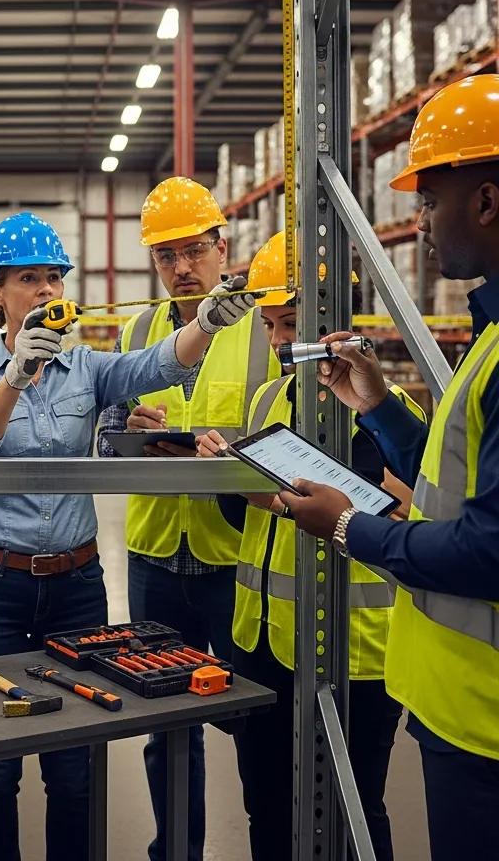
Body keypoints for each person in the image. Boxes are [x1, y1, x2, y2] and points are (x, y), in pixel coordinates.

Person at [0, 210, 259, 861]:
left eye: (55, 278)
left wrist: (206, 322)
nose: (47, 291)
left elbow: (155, 366)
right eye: (29, 278)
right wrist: (14, 377)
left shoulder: (86, 367)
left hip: (76, 586)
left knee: (75, 766)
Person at [279, 74, 499, 861]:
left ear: (486, 199)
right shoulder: (491, 334)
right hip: (460, 710)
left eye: (431, 199)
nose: (421, 223)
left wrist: (347, 527)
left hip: (486, 727)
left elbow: (489, 548)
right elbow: (459, 478)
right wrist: (377, 405)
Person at [196, 230, 423, 861]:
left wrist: (318, 505)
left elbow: (409, 522)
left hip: (355, 650)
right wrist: (228, 475)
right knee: (266, 803)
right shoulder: (269, 397)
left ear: (332, 320)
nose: (273, 341)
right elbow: (248, 518)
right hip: (264, 639)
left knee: (356, 808)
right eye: (268, 324)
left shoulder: (387, 412)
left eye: (288, 323)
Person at [95, 176, 278, 861]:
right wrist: (129, 429)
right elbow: (107, 442)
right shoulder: (136, 330)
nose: (181, 268)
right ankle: (177, 851)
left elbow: (288, 434)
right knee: (166, 723)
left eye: (193, 251)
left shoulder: (263, 323)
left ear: (222, 248)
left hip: (234, 559)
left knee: (255, 720)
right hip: (153, 559)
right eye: (166, 256)